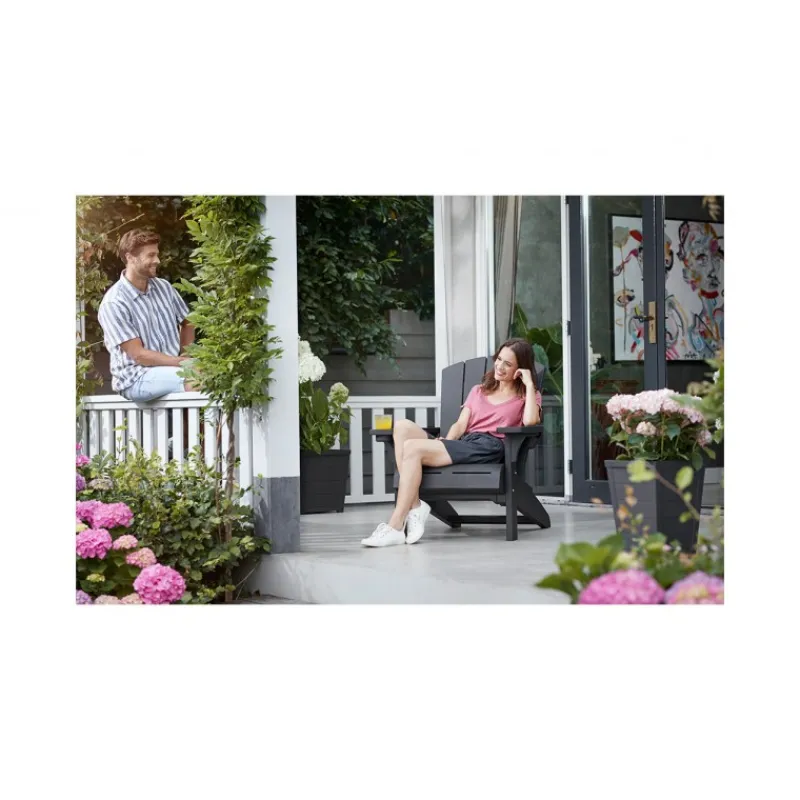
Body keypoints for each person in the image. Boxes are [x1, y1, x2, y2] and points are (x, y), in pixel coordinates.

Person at [361, 338, 542, 547]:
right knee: (402, 427)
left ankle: (395, 525)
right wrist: (447, 441)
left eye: (508, 364)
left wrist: (529, 385)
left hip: (489, 447)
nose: (499, 367)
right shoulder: (479, 390)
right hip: (466, 443)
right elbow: (461, 423)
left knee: (412, 447)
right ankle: (415, 505)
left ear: (520, 369)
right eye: (499, 359)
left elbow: (530, 421)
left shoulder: (527, 395)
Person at [97, 229, 198, 403]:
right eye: (151, 255)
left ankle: (196, 422)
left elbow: (188, 321)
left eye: (157, 254)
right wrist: (181, 363)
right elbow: (139, 355)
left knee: (212, 373)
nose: (157, 260)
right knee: (195, 377)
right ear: (130, 257)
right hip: (135, 378)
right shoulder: (114, 302)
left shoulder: (163, 287)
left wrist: (186, 355)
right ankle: (199, 423)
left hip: (168, 370)